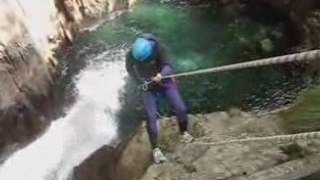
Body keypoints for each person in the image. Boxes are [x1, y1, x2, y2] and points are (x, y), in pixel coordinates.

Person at [125, 33, 194, 164]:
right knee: (151, 117)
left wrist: (161, 75)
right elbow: (130, 69)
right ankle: (156, 149)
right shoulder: (132, 54)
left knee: (180, 108)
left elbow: (168, 66)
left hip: (165, 82)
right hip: (149, 87)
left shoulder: (158, 47)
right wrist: (140, 82)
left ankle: (184, 133)